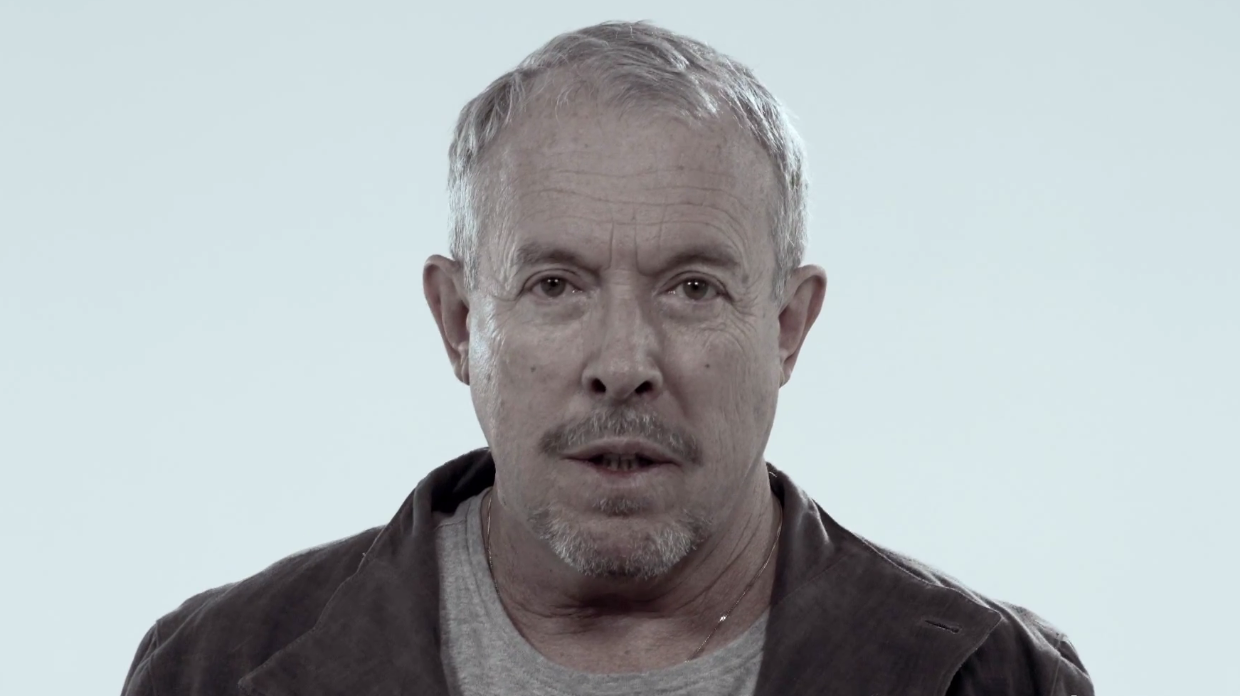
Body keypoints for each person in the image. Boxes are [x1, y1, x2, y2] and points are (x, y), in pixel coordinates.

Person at [121, 20, 1093, 696]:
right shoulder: (211, 670)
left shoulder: (993, 678)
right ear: (458, 323)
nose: (624, 362)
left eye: (693, 288)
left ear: (787, 327)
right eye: (555, 285)